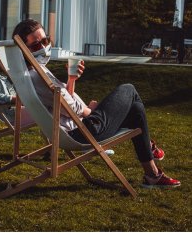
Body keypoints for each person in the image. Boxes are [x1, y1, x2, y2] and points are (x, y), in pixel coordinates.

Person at [12, 19, 181, 189]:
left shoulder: (31, 73)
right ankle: (149, 153)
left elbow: (61, 101)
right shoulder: (37, 76)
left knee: (136, 110)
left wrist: (71, 80)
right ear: (24, 50)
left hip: (74, 129)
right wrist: (90, 111)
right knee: (128, 89)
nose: (42, 47)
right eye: (35, 45)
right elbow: (70, 108)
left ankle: (152, 173)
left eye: (45, 41)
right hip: (82, 132)